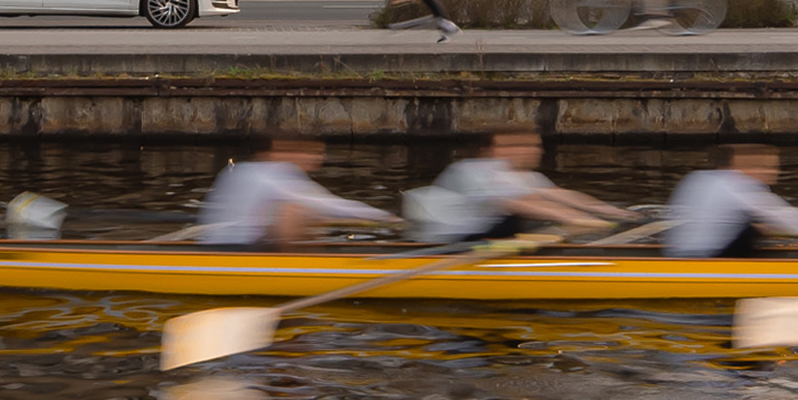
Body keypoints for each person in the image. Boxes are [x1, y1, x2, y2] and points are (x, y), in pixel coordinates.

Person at [408, 126, 625, 244]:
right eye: (514, 146)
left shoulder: (529, 177)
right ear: (488, 151)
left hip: (488, 239)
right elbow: (517, 203)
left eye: (532, 146)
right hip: (447, 243)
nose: (528, 151)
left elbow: (561, 196)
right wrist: (578, 220)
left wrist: (615, 213)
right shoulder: (471, 171)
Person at [192, 133, 400, 250]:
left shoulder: (242, 169)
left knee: (305, 212)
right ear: (275, 152)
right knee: (296, 211)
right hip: (234, 248)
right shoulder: (272, 174)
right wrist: (384, 218)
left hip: (221, 242)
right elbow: (327, 203)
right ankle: (312, 270)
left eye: (319, 154)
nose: (316, 159)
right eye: (309, 153)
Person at [666, 143, 798, 259]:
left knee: (753, 225)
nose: (774, 172)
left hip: (680, 252)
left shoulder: (699, 178)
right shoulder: (738, 184)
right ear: (750, 167)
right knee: (750, 228)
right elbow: (783, 215)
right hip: (705, 258)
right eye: (769, 167)